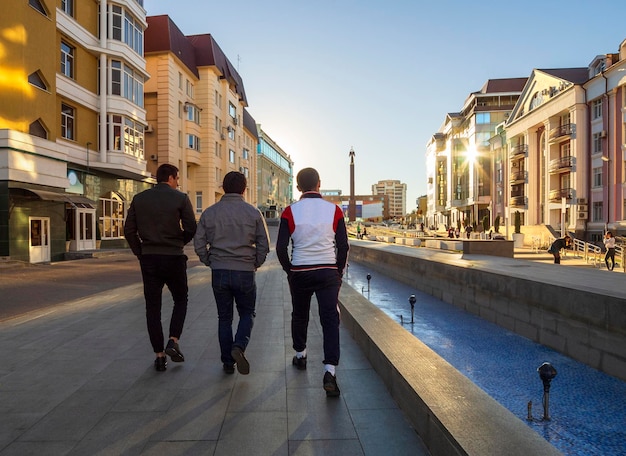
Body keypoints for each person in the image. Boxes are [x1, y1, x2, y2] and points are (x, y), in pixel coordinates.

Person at [276, 167, 349, 397]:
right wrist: (337, 272)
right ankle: (330, 370)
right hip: (327, 271)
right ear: (319, 183)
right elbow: (344, 246)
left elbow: (280, 248)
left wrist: (290, 269)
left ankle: (301, 355)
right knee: (330, 319)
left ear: (298, 187)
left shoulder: (290, 211)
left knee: (300, 314)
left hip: (301, 270)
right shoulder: (334, 210)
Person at [194, 171, 270, 375]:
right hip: (244, 271)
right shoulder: (253, 213)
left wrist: (209, 260)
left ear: (223, 188)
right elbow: (264, 243)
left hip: (219, 271)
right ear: (244, 189)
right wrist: (256, 262)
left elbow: (199, 242)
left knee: (224, 317)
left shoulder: (209, 212)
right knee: (247, 313)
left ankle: (228, 362)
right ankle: (239, 346)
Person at [124, 163, 197, 372]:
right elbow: (191, 227)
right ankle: (173, 340)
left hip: (149, 259)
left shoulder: (139, 199)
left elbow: (129, 230)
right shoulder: (180, 198)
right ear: (172, 178)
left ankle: (159, 355)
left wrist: (140, 252)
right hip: (173, 257)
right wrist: (178, 242)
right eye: (178, 178)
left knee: (152, 307)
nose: (178, 182)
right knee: (181, 299)